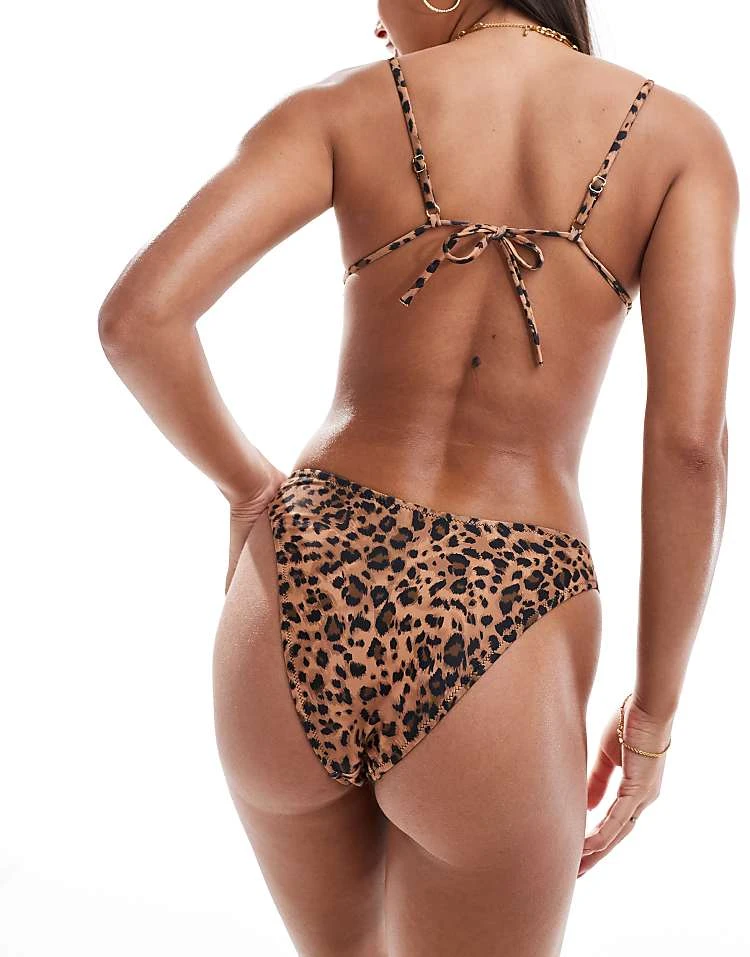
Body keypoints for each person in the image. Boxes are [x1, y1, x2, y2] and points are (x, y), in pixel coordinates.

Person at [97, 1, 736, 954]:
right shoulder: (676, 141)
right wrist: (652, 716)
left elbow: (138, 319)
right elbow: (689, 449)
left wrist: (248, 489)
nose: (374, 21)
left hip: (302, 578)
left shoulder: (346, 108)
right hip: (505, 614)